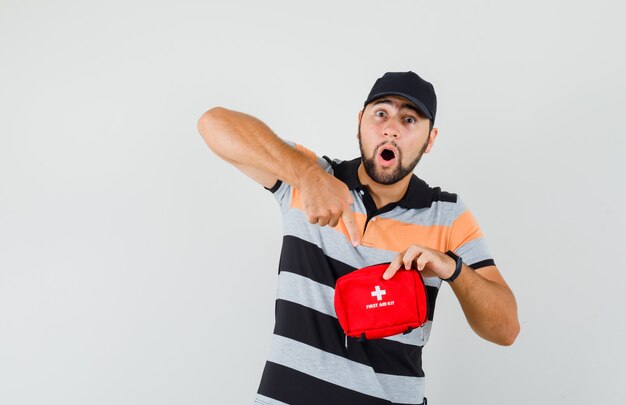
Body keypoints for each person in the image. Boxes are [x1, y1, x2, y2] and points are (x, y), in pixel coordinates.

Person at [197, 71, 520, 405]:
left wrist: (452, 268)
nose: (391, 128)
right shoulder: (308, 175)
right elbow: (212, 124)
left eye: (409, 119)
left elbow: (506, 329)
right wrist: (309, 177)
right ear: (359, 122)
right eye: (381, 113)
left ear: (430, 139)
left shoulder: (447, 214)